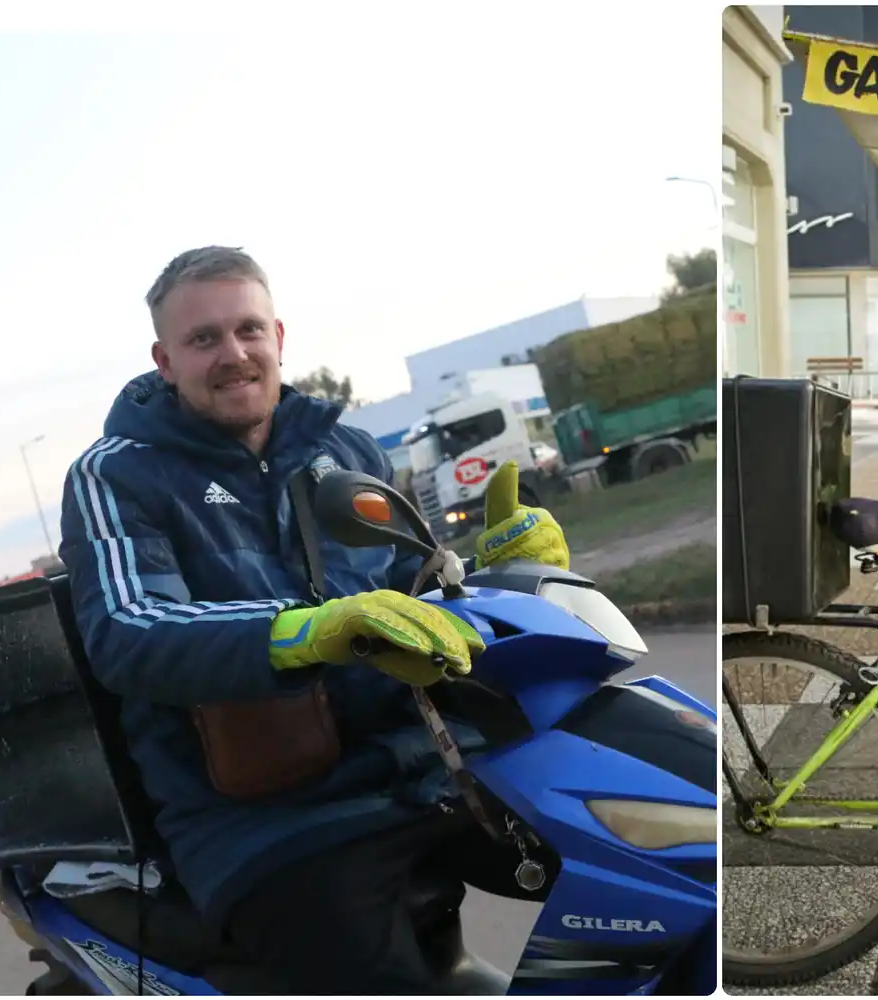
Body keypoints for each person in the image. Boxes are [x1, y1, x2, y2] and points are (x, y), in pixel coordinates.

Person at [58, 246, 572, 993]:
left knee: (653, 861)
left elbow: (415, 592)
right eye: (204, 340)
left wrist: (500, 576)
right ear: (165, 360)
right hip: (273, 824)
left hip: (428, 770)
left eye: (248, 330)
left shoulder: (344, 449)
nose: (233, 354)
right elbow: (130, 632)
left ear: (278, 337)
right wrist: (308, 631)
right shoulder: (115, 473)